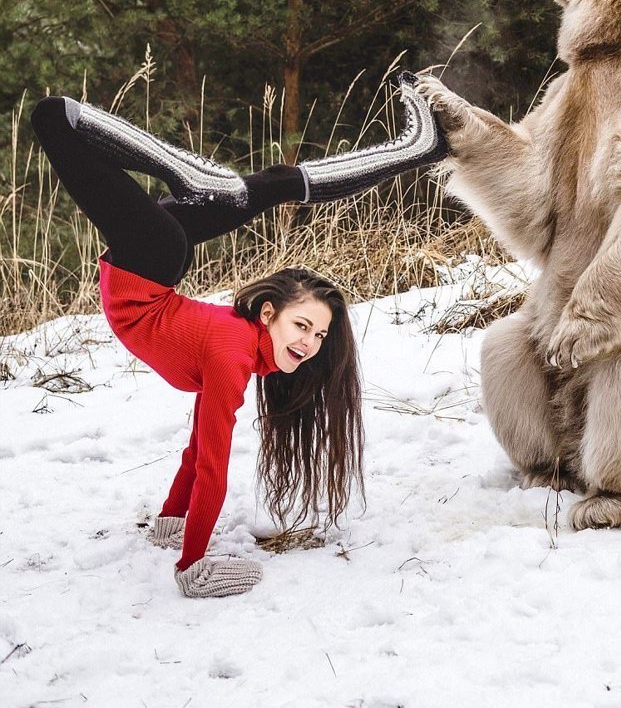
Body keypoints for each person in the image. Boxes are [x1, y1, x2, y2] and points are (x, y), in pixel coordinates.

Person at [30, 75, 446, 598]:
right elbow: (212, 467)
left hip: (150, 267)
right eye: (302, 325)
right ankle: (184, 171)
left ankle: (417, 149)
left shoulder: (235, 351)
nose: (311, 343)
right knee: (51, 117)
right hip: (151, 261)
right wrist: (194, 564)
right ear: (267, 314)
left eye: (319, 335)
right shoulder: (231, 352)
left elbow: (196, 449)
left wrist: (172, 521)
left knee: (271, 187)